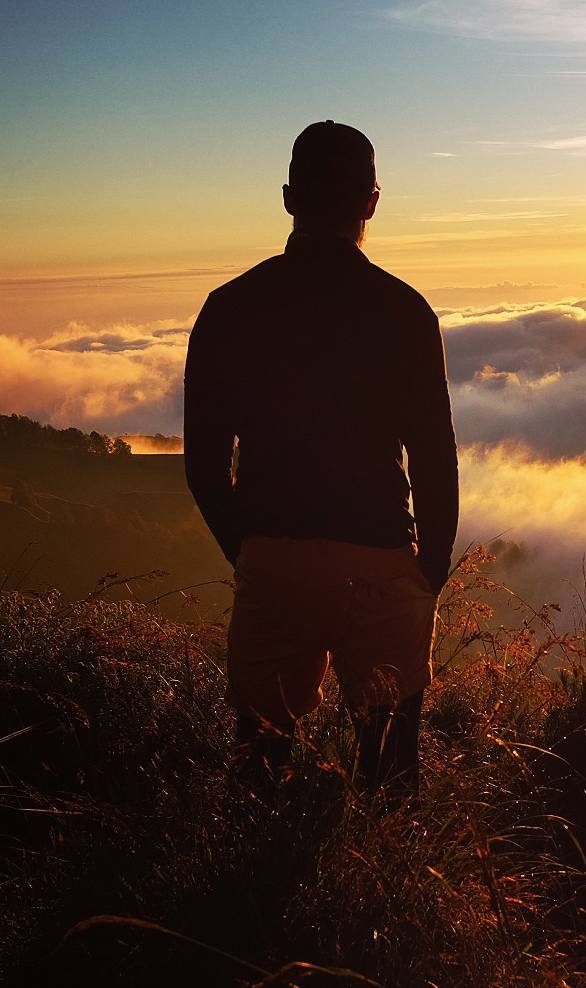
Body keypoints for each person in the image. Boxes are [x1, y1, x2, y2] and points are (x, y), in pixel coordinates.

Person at [183, 121, 459, 800]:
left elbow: (203, 464)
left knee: (259, 764)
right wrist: (428, 571)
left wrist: (250, 549)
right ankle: (384, 896)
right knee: (391, 770)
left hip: (275, 557)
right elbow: (433, 457)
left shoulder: (228, 308)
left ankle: (248, 898)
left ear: (286, 198)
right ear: (370, 202)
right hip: (381, 560)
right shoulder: (403, 311)